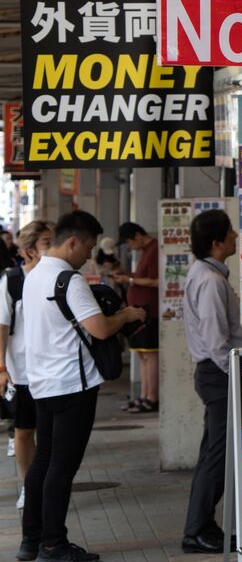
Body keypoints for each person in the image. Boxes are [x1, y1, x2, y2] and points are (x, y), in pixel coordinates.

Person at [21, 211, 145, 562]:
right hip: (72, 385)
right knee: (62, 466)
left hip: (43, 382)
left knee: (43, 462)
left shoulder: (34, 275)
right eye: (88, 246)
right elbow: (101, 329)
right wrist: (127, 315)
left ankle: (31, 539)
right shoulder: (68, 280)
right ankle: (53, 544)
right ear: (73, 241)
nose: (89, 255)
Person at [180, 209, 242, 554]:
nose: (236, 236)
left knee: (213, 454)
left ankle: (201, 524)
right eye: (230, 232)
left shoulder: (206, 274)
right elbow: (218, 341)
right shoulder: (210, 281)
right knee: (217, 456)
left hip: (215, 373)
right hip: (219, 375)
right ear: (217, 243)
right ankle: (197, 530)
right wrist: (233, 374)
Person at [0, 221, 52, 510]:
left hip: (54, 369)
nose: (51, 246)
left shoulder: (59, 276)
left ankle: (44, 486)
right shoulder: (13, 279)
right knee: (23, 431)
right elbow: (2, 325)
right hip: (21, 371)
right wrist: (2, 369)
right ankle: (28, 485)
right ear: (29, 249)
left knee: (49, 433)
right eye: (47, 242)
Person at [112, 223, 160, 414]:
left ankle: (151, 397)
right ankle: (143, 395)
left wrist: (129, 280)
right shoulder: (146, 251)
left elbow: (156, 280)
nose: (130, 247)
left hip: (150, 312)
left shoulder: (155, 249)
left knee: (149, 354)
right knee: (141, 354)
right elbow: (143, 277)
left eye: (129, 242)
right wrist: (127, 276)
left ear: (138, 235)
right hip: (139, 312)